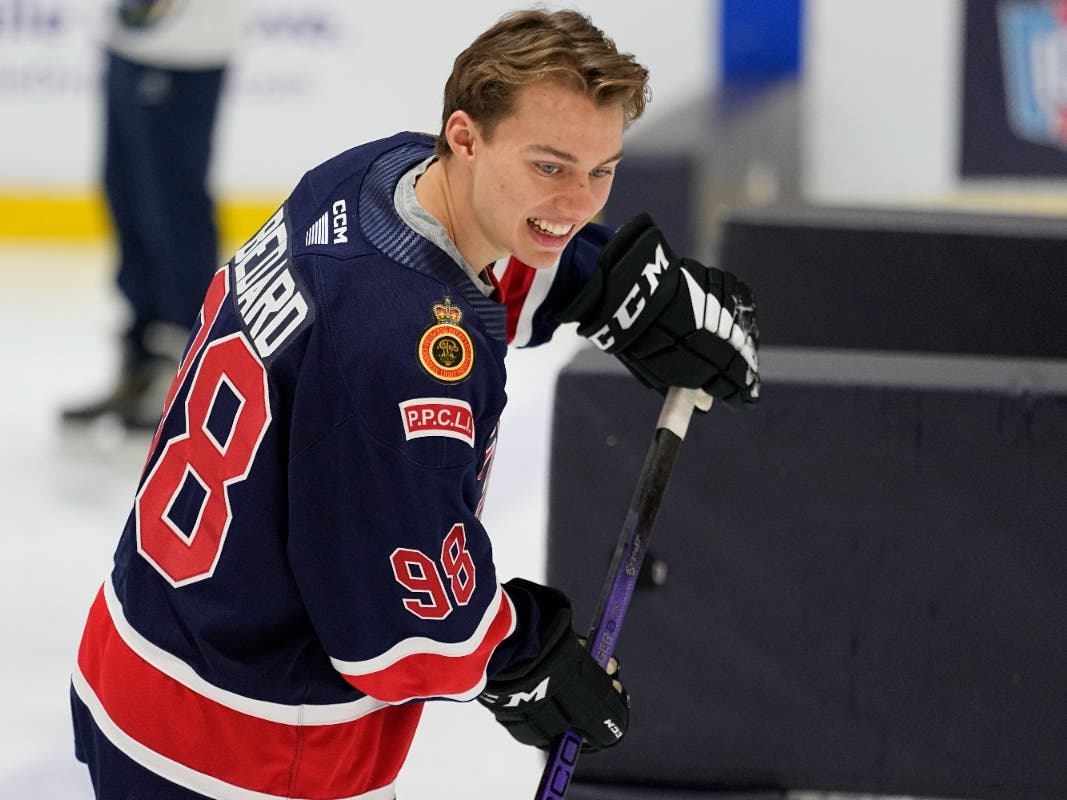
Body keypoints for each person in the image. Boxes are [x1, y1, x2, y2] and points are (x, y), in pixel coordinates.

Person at [69, 8, 760, 799]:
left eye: (600, 171)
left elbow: (470, 267)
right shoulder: (403, 356)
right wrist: (524, 660)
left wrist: (616, 290)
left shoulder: (374, 175)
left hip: (143, 648)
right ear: (465, 137)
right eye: (549, 167)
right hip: (241, 748)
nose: (577, 204)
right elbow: (394, 630)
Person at [61, 0, 247, 431]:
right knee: (126, 196)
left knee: (174, 208)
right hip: (129, 40)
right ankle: (141, 358)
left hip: (187, 48)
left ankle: (184, 361)